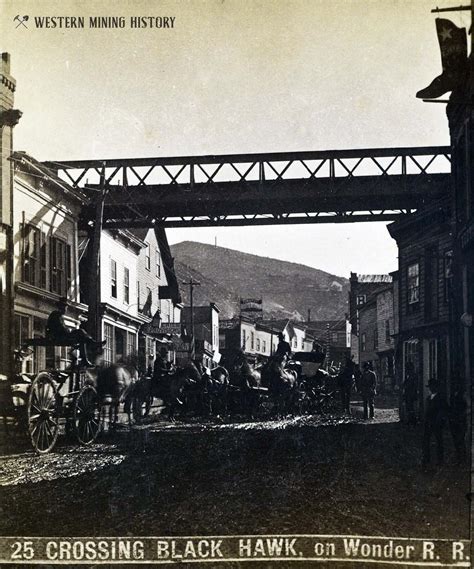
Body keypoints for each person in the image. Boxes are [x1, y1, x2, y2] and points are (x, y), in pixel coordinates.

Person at [46, 298, 105, 366]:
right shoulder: (56, 315)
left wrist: (68, 331)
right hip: (59, 337)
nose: (65, 309)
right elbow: (58, 328)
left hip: (62, 336)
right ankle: (92, 345)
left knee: (81, 337)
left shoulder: (59, 315)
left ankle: (85, 358)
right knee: (80, 331)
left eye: (66, 307)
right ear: (61, 307)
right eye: (65, 307)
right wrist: (68, 331)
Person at [422, 378, 448, 467]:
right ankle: (426, 459)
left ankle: (440, 460)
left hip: (437, 423)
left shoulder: (440, 398)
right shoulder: (429, 398)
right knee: (426, 441)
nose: (431, 389)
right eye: (430, 387)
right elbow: (427, 411)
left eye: (432, 387)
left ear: (436, 387)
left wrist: (439, 420)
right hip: (428, 422)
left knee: (439, 441)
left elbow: (443, 410)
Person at [449, 384, 467, 464]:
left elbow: (466, 408)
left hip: (461, 420)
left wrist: (462, 416)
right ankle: (459, 457)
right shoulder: (452, 395)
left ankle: (462, 457)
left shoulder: (463, 396)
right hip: (454, 420)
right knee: (455, 439)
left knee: (460, 439)